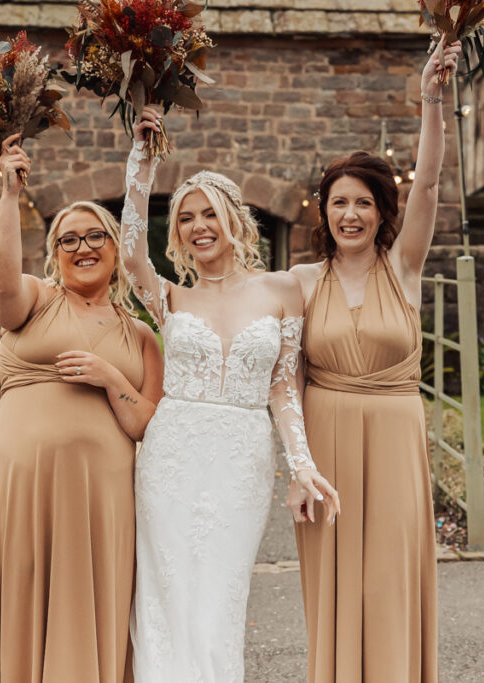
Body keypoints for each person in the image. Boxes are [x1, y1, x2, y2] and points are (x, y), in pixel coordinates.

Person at [121, 108, 341, 683]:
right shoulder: (170, 298)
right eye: (188, 217)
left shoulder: (281, 289)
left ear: (232, 219)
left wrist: (302, 467)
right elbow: (129, 254)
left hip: (241, 457)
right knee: (165, 591)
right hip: (171, 456)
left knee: (222, 593)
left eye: (209, 213)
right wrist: (141, 165)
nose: (199, 225)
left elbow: (283, 389)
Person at [0, 134, 164, 683]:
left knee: (82, 599)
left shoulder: (140, 335)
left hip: (99, 493)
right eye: (69, 240)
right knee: (19, 591)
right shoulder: (37, 300)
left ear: (116, 249)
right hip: (18, 481)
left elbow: (146, 423)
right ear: (54, 253)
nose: (82, 246)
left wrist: (110, 377)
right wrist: (9, 192)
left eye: (95, 236)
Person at [286, 39, 462, 683]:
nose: (350, 213)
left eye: (363, 201)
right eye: (339, 202)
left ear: (382, 210)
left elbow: (433, 179)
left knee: (388, 576)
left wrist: (431, 99)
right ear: (324, 212)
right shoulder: (301, 283)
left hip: (393, 439)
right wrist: (297, 469)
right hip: (326, 445)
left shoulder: (404, 266)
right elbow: (289, 381)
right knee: (335, 579)